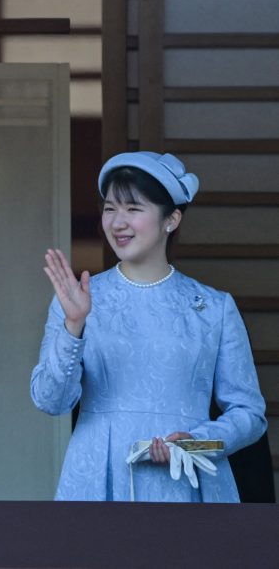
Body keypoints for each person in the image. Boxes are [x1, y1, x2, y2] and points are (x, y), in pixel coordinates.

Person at [32, 151, 266, 501]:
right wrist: (74, 324)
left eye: (133, 209)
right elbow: (50, 401)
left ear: (171, 220)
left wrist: (199, 442)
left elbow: (250, 414)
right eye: (110, 209)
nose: (117, 222)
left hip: (188, 479)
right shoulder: (79, 299)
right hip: (97, 474)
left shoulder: (214, 307)